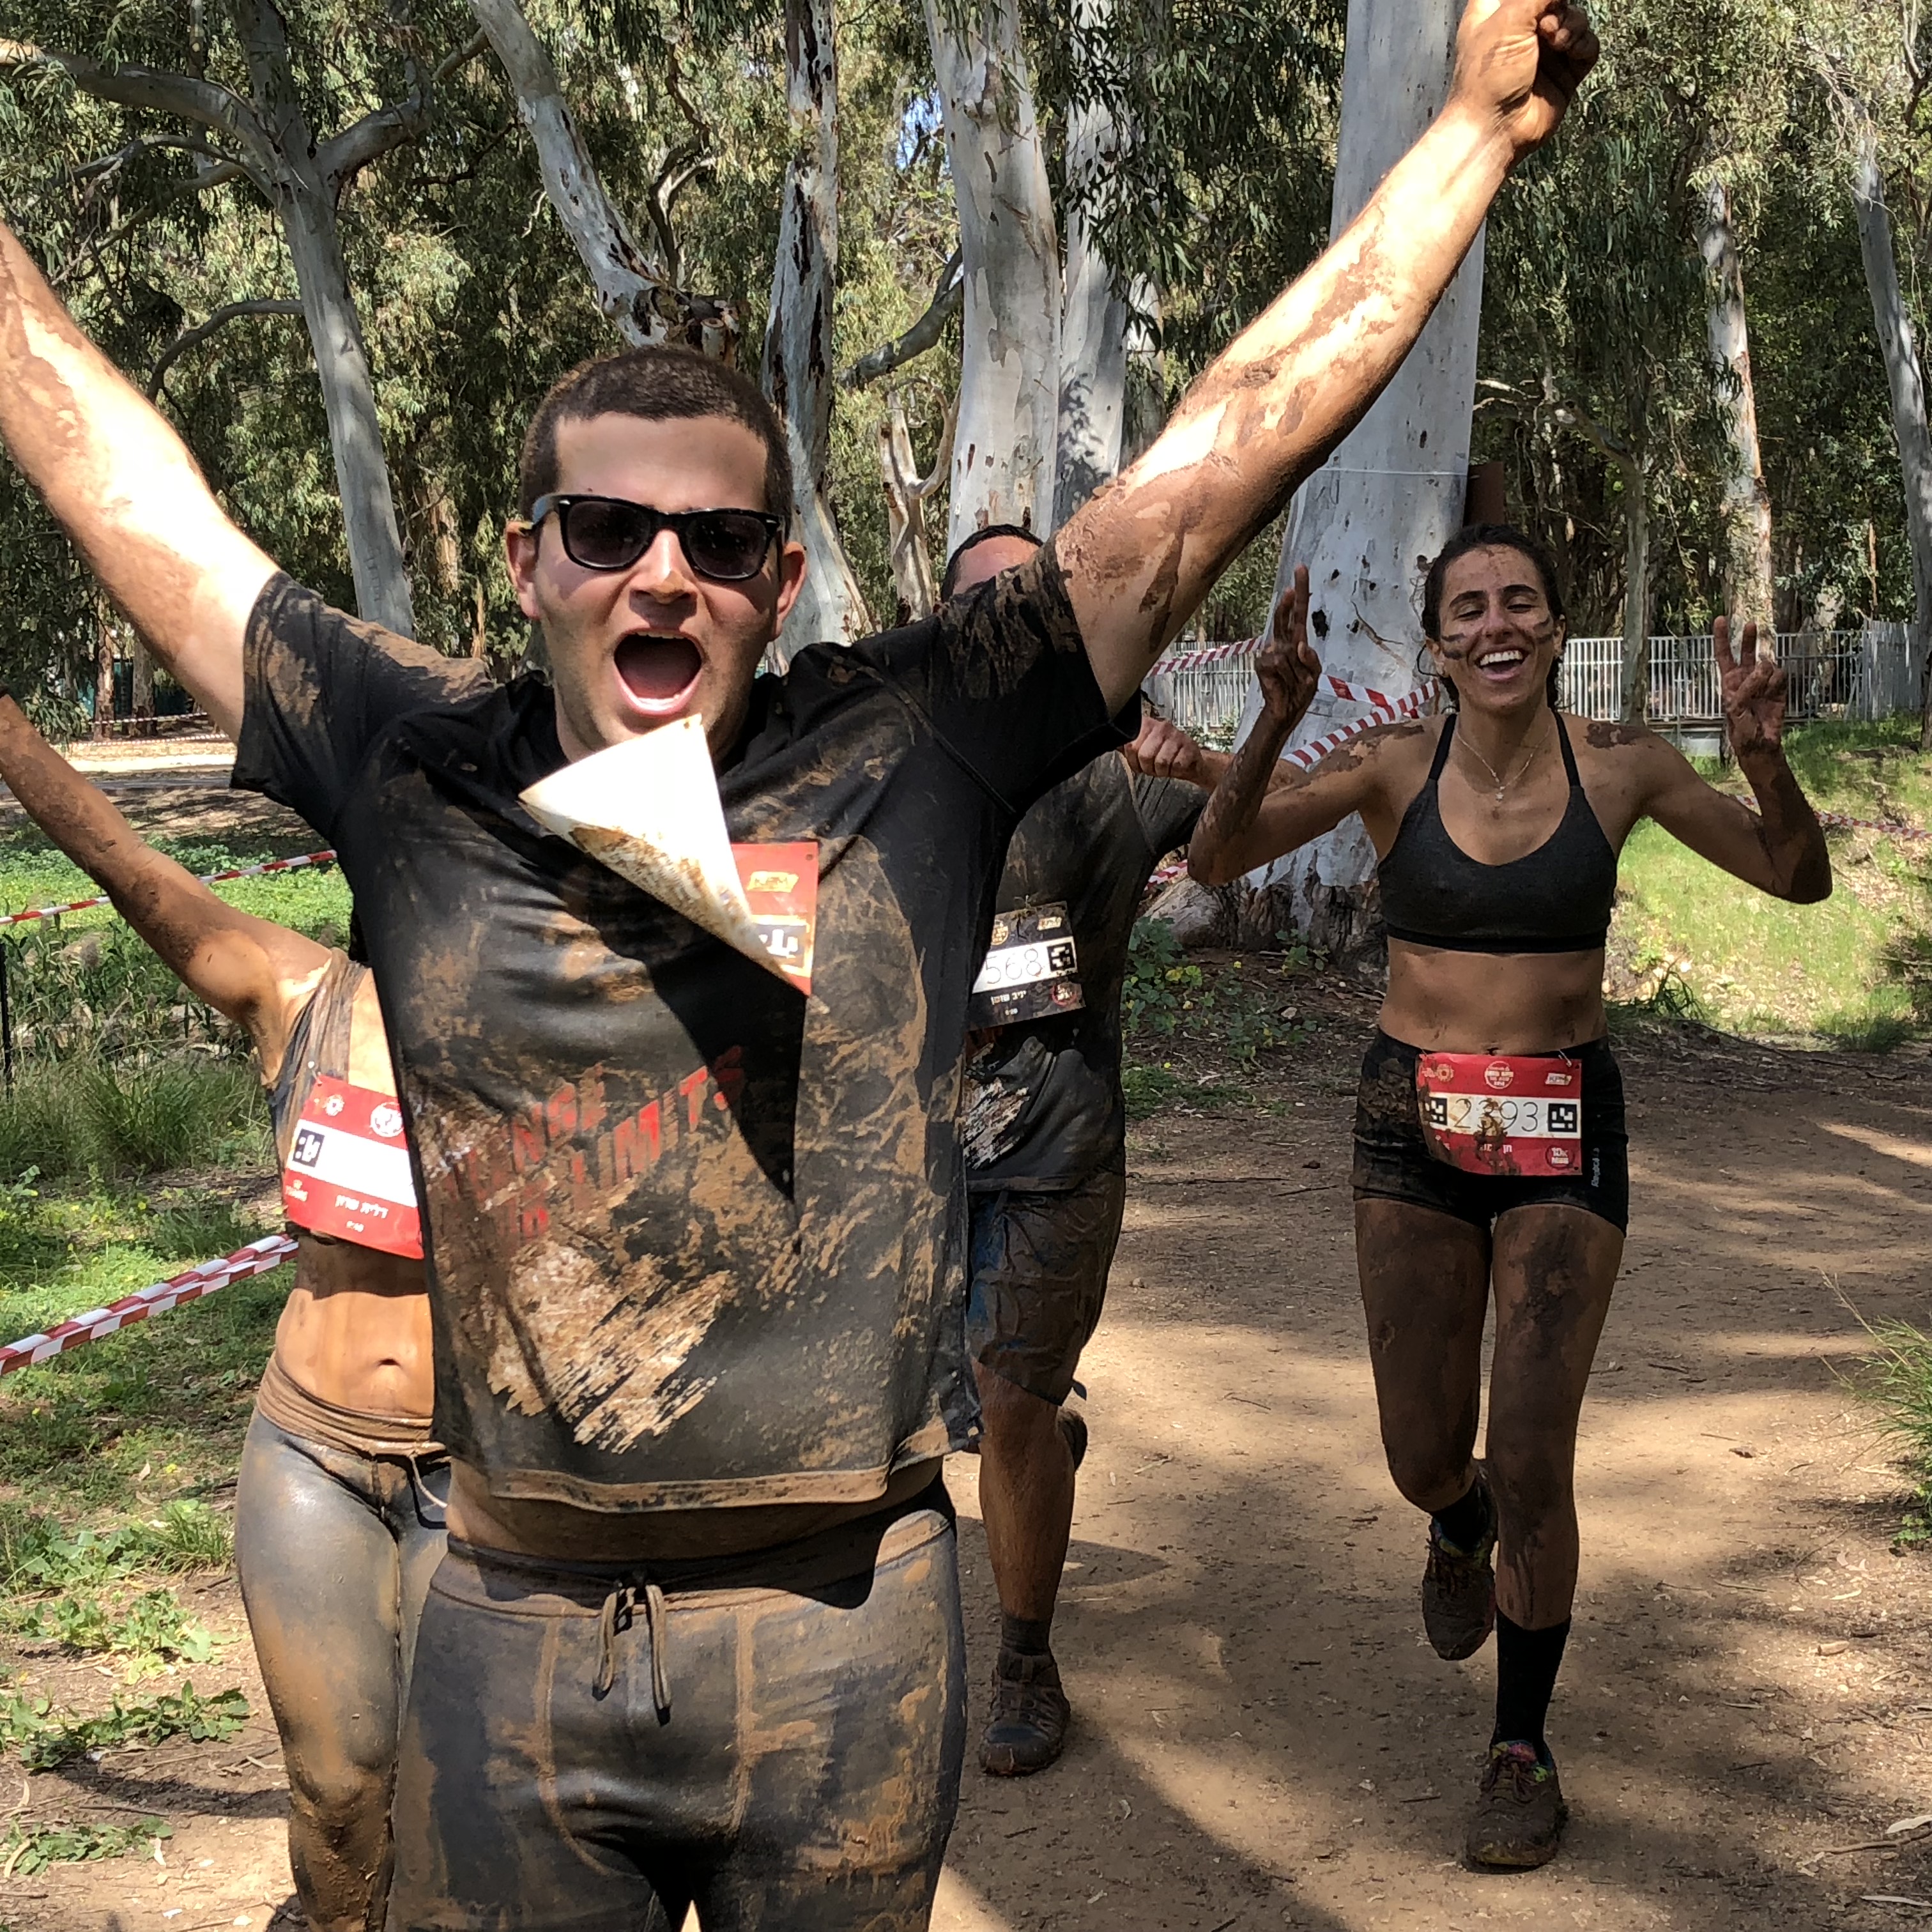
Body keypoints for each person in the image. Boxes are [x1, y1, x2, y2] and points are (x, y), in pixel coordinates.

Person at [0, 8, 1597, 1922]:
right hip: (508, 1630)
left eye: (719, 536)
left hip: (849, 1636)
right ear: (528, 562)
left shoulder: (918, 741)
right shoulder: (411, 758)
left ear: (779, 579)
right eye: (607, 528)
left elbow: (1221, 457)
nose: (660, 571)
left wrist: (1466, 137)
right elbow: (129, 493)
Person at [1188, 525, 1830, 1870]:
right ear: (1437, 645)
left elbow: (1795, 876)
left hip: (1563, 1129)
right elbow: (1215, 858)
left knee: (1536, 1451)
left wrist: (1765, 763)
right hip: (1411, 1129)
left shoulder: (1625, 763)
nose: (1497, 624)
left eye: (1521, 601)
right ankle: (1457, 1518)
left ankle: (1520, 1745)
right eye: (1468, 607)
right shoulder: (1389, 765)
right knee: (1424, 1454)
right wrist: (1275, 718)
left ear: (1555, 628)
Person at [0, 696, 444, 1932]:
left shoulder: (567, 1032)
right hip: (313, 1456)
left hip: (486, 1470)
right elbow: (123, 860)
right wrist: (13, 739)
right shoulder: (298, 997)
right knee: (339, 1791)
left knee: (466, 1791)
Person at [944, 525, 1284, 1777]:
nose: (1008, 625)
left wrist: (1246, 737)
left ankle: (1025, 1661)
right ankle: (1032, 1446)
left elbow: (1246, 834)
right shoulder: (897, 766)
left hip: (1058, 1150)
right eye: (982, 604)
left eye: (1030, 602)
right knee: (953, 1409)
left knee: (1008, 1399)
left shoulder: (1118, 770)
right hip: (908, 1156)